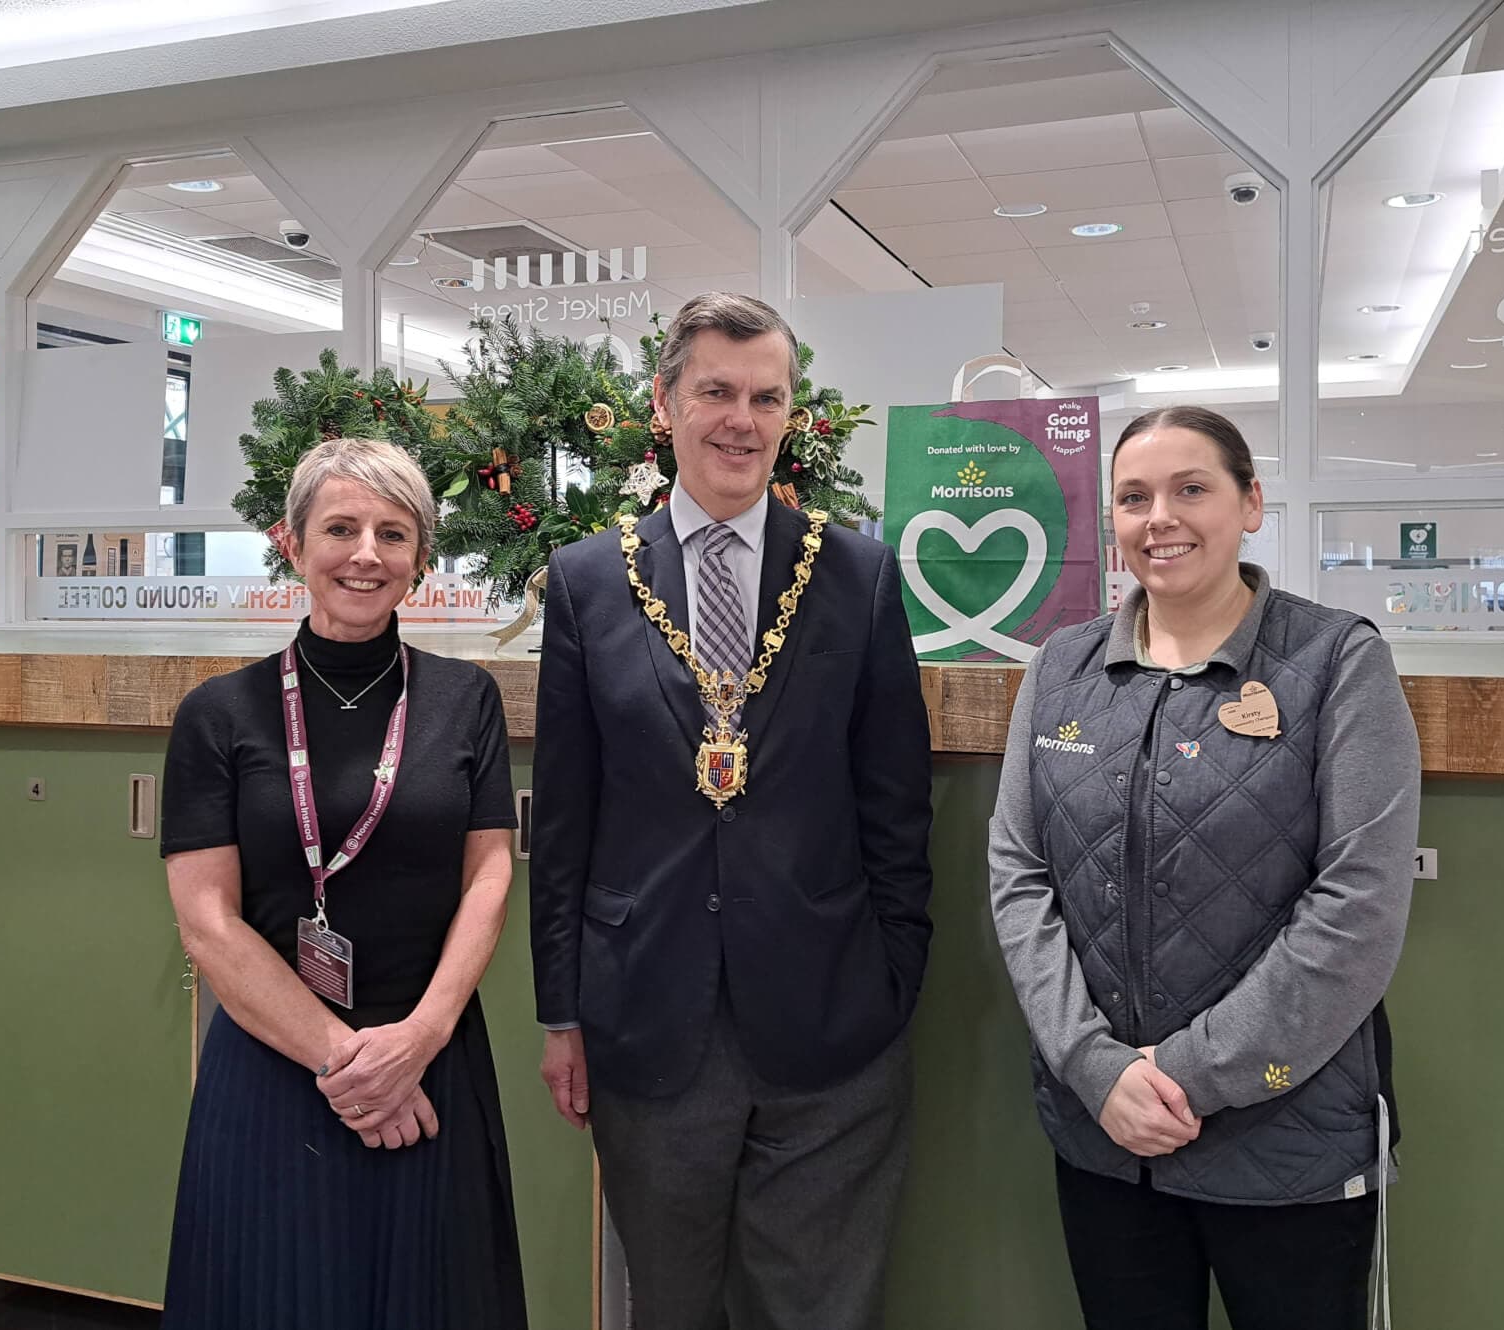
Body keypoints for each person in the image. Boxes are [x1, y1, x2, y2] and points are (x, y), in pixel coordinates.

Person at [530, 291, 934, 1329]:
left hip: (830, 1024)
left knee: (817, 1310)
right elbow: (566, 819)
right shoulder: (584, 583)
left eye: (766, 396)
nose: (740, 420)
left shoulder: (857, 575)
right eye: (715, 390)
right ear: (663, 405)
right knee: (669, 1307)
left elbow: (895, 807)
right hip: (647, 1018)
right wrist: (560, 1009)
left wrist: (893, 981)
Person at [987, 405, 1420, 1330]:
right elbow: (1020, 876)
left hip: (1286, 1139)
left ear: (1251, 502)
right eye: (1134, 497)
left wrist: (1191, 1073)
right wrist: (1093, 1068)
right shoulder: (1060, 668)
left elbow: (1361, 906)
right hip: (1105, 1139)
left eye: (1193, 489)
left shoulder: (1336, 661)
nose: (1160, 519)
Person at [158, 438, 526, 1329]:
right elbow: (208, 924)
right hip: (278, 1067)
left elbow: (489, 874)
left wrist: (415, 1044)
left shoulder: (465, 699)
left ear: (420, 561)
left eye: (393, 534)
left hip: (431, 1064)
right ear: (292, 543)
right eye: (342, 528)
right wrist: (345, 1063)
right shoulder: (220, 714)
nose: (367, 554)